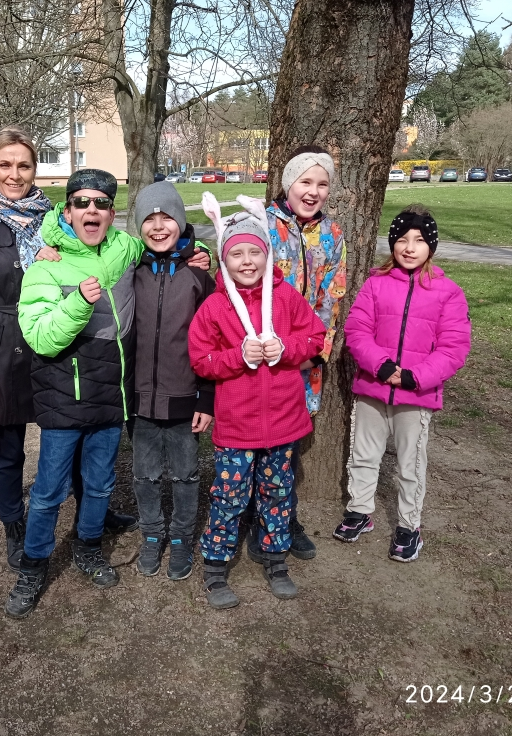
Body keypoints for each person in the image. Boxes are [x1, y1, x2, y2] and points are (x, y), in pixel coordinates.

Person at [0, 131, 135, 575]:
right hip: (3, 353)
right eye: (5, 165)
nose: (15, 175)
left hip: (61, 344)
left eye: (24, 165)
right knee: (8, 448)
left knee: (75, 431)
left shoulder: (54, 218)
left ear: (35, 169)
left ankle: (92, 507)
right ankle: (15, 524)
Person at [4, 168, 143, 618]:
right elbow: (41, 338)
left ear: (112, 213)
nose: (91, 210)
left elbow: (164, 242)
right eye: (82, 202)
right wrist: (79, 302)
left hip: (111, 396)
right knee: (49, 491)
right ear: (67, 211)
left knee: (101, 484)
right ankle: (33, 565)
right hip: (64, 395)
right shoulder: (45, 265)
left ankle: (88, 547)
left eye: (101, 203)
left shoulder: (125, 249)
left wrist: (195, 251)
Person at [188, 195, 326, 608]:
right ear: (224, 260)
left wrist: (287, 348)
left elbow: (315, 338)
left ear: (267, 255)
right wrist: (237, 357)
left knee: (278, 493)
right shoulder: (215, 307)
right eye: (237, 254)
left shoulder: (286, 298)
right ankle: (216, 566)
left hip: (284, 421)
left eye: (254, 252)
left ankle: (275, 559)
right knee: (228, 497)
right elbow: (200, 359)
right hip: (237, 425)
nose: (247, 261)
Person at [334, 205, 471, 562]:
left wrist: (414, 376)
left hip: (416, 394)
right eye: (403, 240)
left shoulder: (448, 292)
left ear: (431, 246)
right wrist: (381, 367)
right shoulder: (375, 284)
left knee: (410, 464)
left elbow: (453, 348)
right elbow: (357, 331)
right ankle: (360, 510)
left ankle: (409, 525)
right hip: (373, 387)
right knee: (364, 455)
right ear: (393, 243)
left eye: (419, 240)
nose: (410, 248)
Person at [244, 145, 347, 563]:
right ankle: (249, 515)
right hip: (259, 355)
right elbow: (239, 284)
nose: (313, 191)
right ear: (289, 183)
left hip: (303, 360)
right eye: (306, 181)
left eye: (322, 184)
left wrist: (316, 351)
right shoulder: (261, 224)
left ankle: (282, 517)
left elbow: (332, 297)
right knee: (252, 438)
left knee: (284, 445)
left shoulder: (332, 234)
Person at [129, 181, 215, 581]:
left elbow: (214, 340)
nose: (159, 227)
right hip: (140, 398)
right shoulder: (130, 270)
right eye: (150, 219)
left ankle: (181, 537)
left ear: (180, 222)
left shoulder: (199, 276)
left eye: (167, 218)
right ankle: (152, 534)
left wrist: (206, 397)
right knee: (144, 474)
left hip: (185, 396)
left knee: (185, 474)